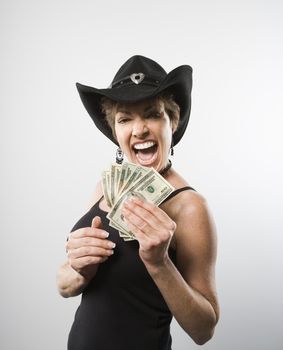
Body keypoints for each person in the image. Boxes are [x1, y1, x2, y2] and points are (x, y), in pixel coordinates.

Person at [56, 55, 219, 350]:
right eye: (125, 119)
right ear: (115, 132)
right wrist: (79, 271)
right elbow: (64, 284)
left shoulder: (190, 206)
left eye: (152, 114)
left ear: (173, 121)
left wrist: (160, 264)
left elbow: (204, 329)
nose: (139, 129)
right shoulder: (104, 190)